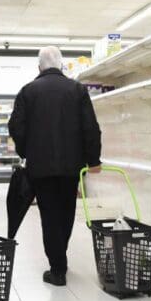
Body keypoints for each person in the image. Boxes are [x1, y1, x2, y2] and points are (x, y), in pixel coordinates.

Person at [9, 46, 102, 286]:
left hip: (40, 167)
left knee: (49, 214)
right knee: (66, 212)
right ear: (61, 65)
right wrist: (93, 159)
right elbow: (90, 126)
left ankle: (57, 268)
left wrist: (25, 151)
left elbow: (16, 127)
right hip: (72, 166)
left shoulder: (28, 91)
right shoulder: (77, 90)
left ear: (39, 67)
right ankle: (60, 257)